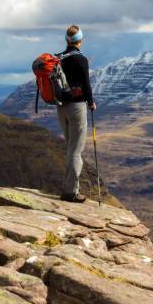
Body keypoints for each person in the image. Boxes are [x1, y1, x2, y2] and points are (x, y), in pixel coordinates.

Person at [57, 24, 96, 203]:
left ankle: (68, 188)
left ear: (67, 40)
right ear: (81, 40)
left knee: (70, 148)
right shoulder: (81, 60)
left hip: (61, 107)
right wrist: (91, 102)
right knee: (76, 151)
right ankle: (70, 192)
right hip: (77, 107)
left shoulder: (59, 58)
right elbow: (86, 85)